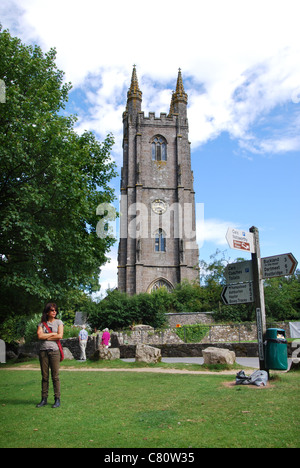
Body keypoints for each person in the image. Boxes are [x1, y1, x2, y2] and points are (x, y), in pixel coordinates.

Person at [36, 303, 64, 408]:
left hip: (54, 351)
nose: (54, 312)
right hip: (43, 351)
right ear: (47, 312)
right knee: (44, 376)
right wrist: (52, 334)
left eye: (55, 310)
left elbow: (60, 335)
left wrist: (46, 336)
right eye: (52, 310)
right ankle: (44, 399)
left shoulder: (59, 322)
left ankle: (57, 399)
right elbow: (39, 335)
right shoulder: (42, 324)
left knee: (55, 376)